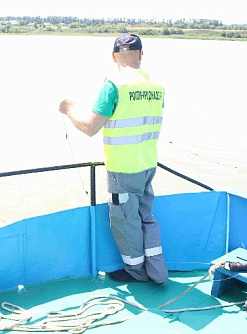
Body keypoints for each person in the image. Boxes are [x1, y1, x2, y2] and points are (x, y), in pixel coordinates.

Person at [58, 34, 168, 284]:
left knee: (125, 222)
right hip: (148, 164)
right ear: (141, 53)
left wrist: (69, 109)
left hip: (123, 168)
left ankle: (136, 273)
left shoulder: (114, 84)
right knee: (145, 217)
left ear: (113, 56)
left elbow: (89, 127)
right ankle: (158, 272)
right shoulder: (156, 85)